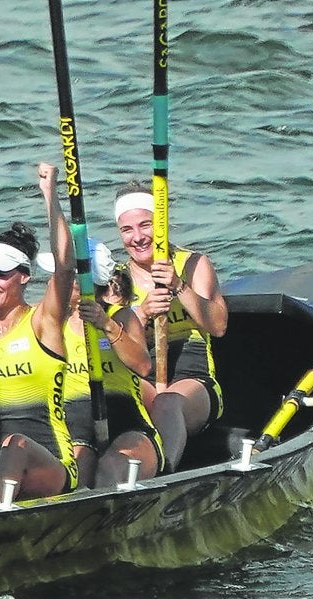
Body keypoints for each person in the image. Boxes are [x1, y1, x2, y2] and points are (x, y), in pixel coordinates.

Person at [0, 163, 78, 503]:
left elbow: (65, 266)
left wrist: (50, 196)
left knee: (14, 445)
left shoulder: (43, 322)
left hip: (47, 459)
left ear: (24, 276)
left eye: (0, 274)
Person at [113, 184, 228, 471]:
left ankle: (166, 475)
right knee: (113, 395)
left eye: (145, 225)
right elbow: (113, 343)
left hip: (193, 380)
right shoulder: (117, 280)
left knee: (167, 403)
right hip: (143, 374)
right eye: (127, 229)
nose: (137, 237)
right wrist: (142, 314)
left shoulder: (193, 264)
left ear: (161, 225)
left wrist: (178, 286)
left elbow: (218, 326)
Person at [39, 240, 163, 487]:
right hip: (74, 425)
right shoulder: (51, 323)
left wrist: (106, 325)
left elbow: (143, 366)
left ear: (83, 282)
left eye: (61, 276)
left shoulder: (121, 316)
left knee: (109, 469)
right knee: (78, 473)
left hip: (126, 421)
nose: (53, 282)